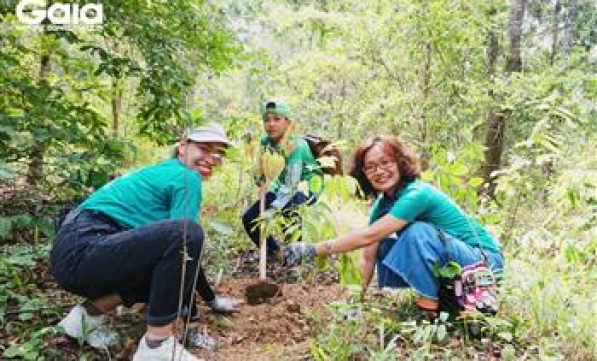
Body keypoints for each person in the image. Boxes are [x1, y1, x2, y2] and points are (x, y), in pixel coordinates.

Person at [50, 122, 237, 361]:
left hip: (72, 252)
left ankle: (82, 319)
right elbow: (186, 244)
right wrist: (197, 316)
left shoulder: (165, 171)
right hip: (87, 248)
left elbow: (180, 255)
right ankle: (157, 345)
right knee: (188, 234)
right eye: (204, 148)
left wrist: (211, 299)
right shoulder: (186, 177)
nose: (212, 158)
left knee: (165, 267)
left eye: (218, 152)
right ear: (182, 147)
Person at [282, 136, 504, 316]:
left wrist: (313, 249)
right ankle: (447, 299)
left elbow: (366, 236)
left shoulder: (417, 193)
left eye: (385, 163)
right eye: (370, 167)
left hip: (483, 263)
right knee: (384, 246)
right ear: (364, 175)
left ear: (400, 163)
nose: (379, 171)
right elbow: (368, 254)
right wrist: (355, 303)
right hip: (454, 265)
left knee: (417, 233)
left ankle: (428, 311)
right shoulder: (384, 203)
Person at [242, 100, 319, 259]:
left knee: (290, 209)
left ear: (288, 122)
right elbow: (262, 167)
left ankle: (295, 257)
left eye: (277, 119)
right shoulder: (265, 141)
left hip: (307, 187)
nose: (271, 124)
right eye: (267, 120)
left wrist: (271, 211)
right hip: (284, 187)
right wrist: (259, 176)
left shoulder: (296, 145)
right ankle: (273, 252)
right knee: (250, 217)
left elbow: (292, 185)